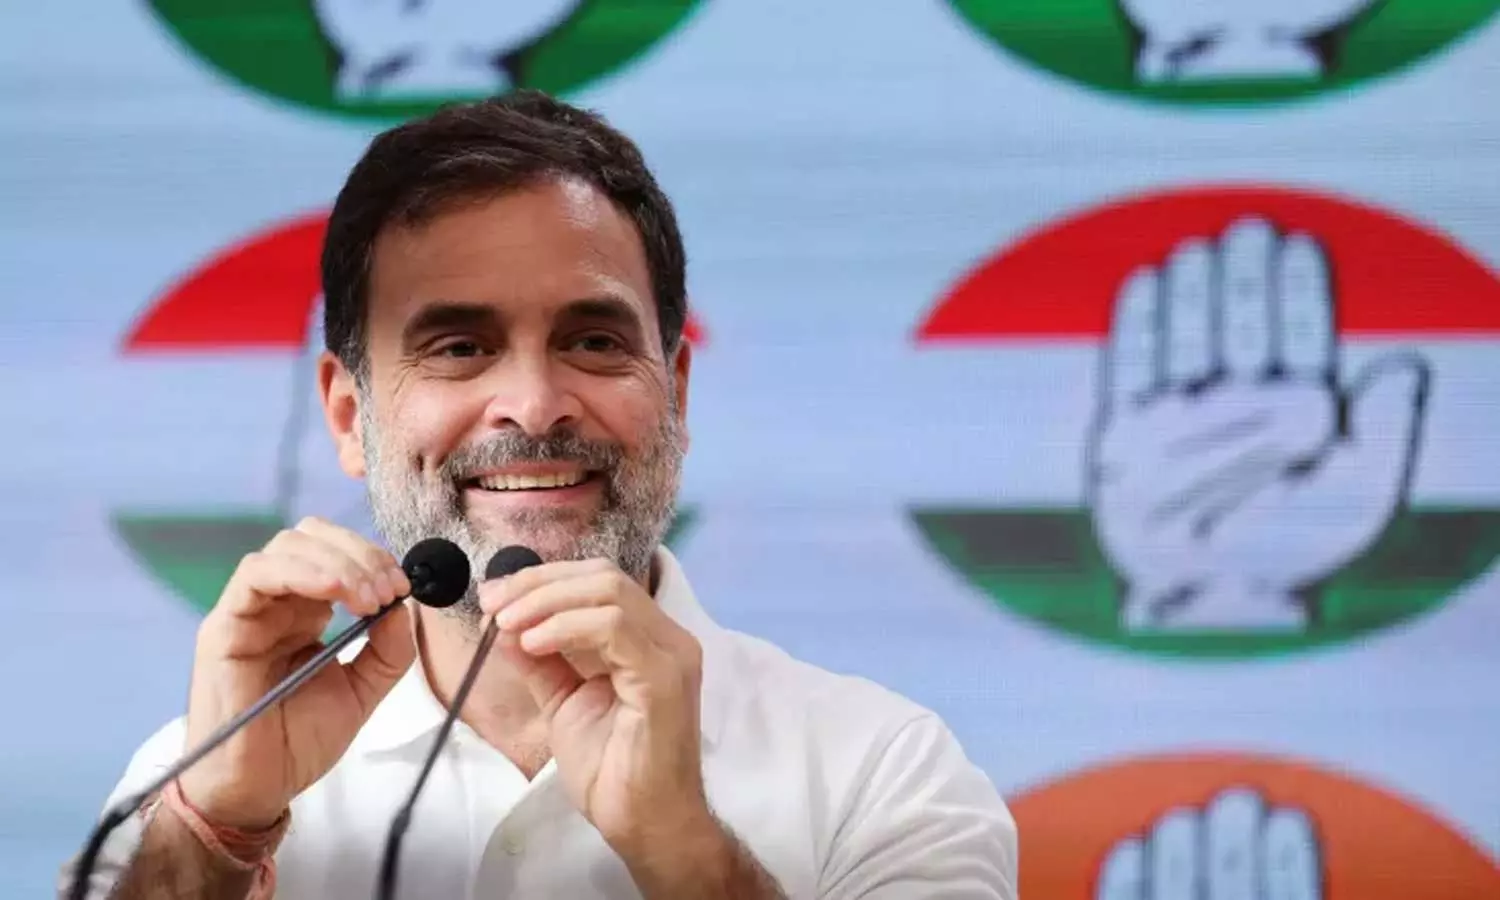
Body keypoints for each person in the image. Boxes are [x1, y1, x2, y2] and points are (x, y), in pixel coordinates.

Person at [63, 90, 1019, 899]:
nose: (532, 403)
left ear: (677, 395)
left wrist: (686, 852)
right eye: (459, 347)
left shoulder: (883, 772)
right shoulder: (196, 781)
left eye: (594, 342)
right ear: (351, 418)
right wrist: (221, 829)